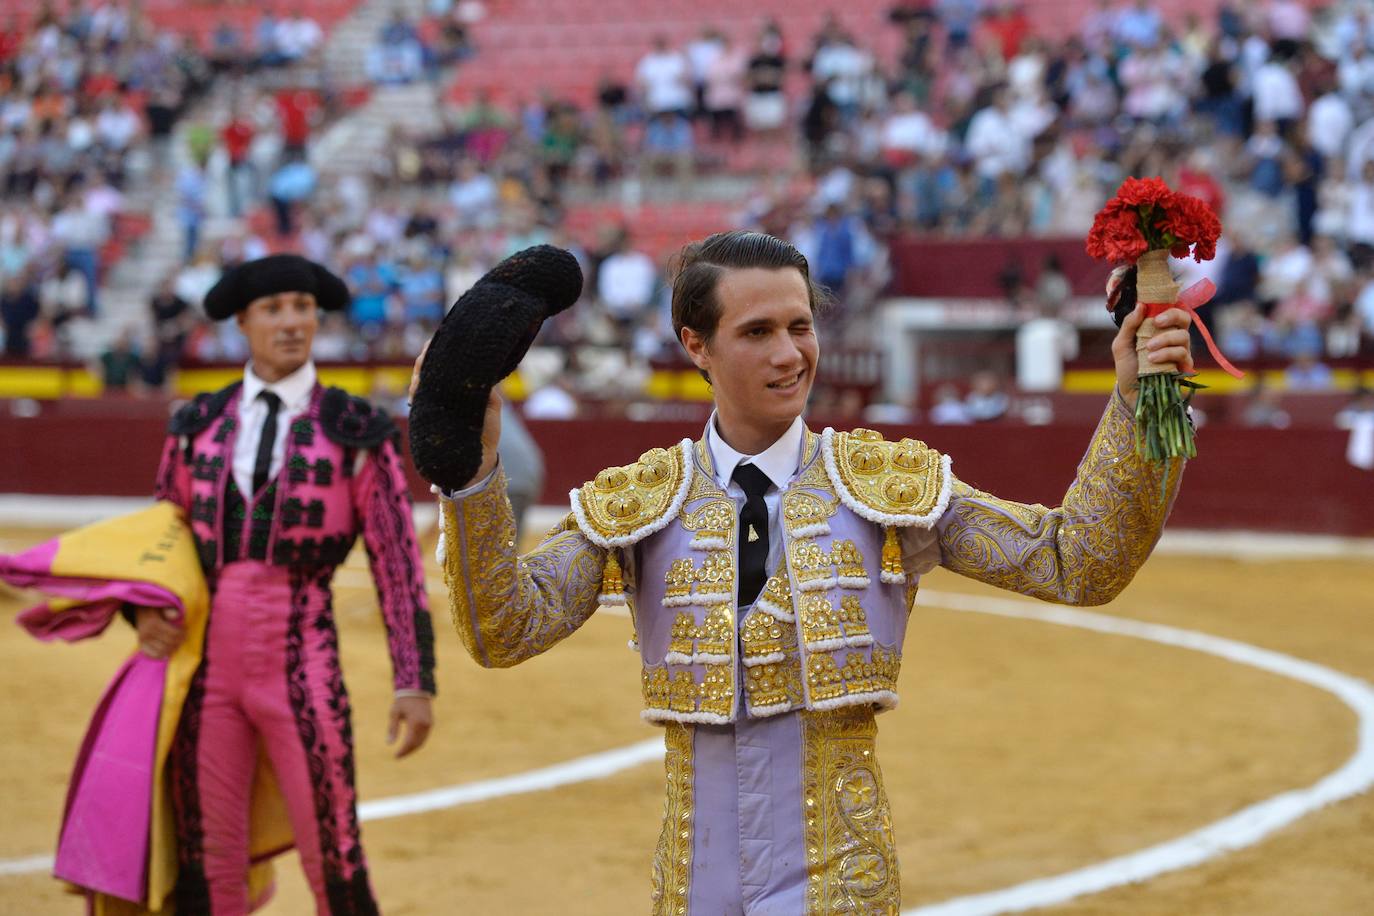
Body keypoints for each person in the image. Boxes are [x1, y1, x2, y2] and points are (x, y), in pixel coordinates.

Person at [419, 231, 1194, 911]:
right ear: (697, 345)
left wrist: (1135, 400)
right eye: (757, 331)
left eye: (801, 326)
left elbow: (1078, 563)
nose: (791, 354)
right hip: (693, 886)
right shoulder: (641, 502)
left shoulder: (884, 486)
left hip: (839, 885)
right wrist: (475, 474)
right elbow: (505, 631)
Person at [143, 254, 436, 913]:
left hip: (304, 658)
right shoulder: (197, 425)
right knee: (205, 856)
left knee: (333, 851)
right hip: (206, 668)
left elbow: (396, 561)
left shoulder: (355, 428)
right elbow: (160, 548)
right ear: (242, 323)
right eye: (275, 309)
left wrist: (413, 679)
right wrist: (145, 618)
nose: (292, 322)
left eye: (303, 308)